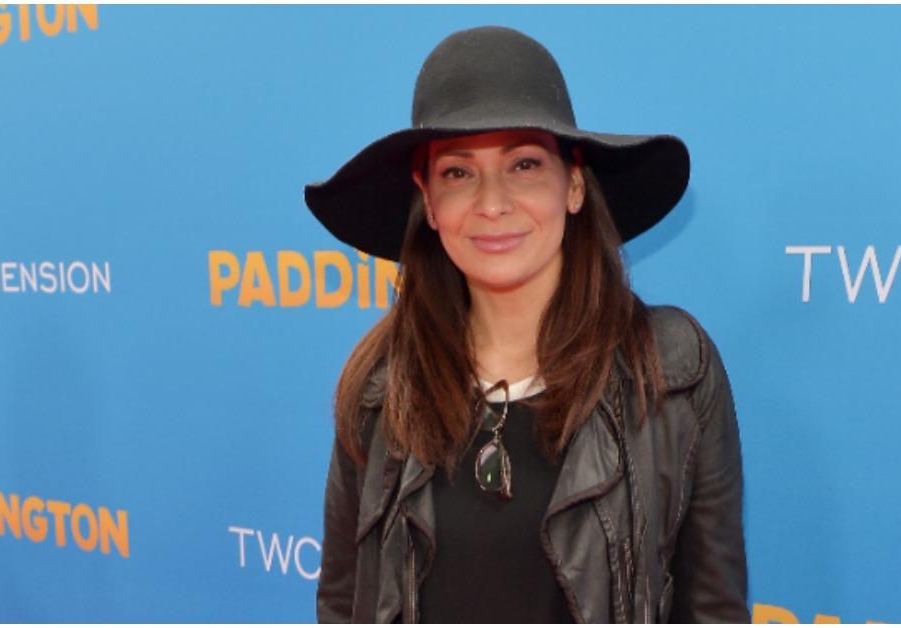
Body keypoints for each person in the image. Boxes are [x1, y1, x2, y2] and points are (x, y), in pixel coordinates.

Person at [303, 25, 748, 623]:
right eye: (458, 173)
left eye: (524, 165)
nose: (492, 204)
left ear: (573, 185)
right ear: (429, 201)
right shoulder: (380, 388)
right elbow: (343, 604)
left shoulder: (672, 373)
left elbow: (713, 609)